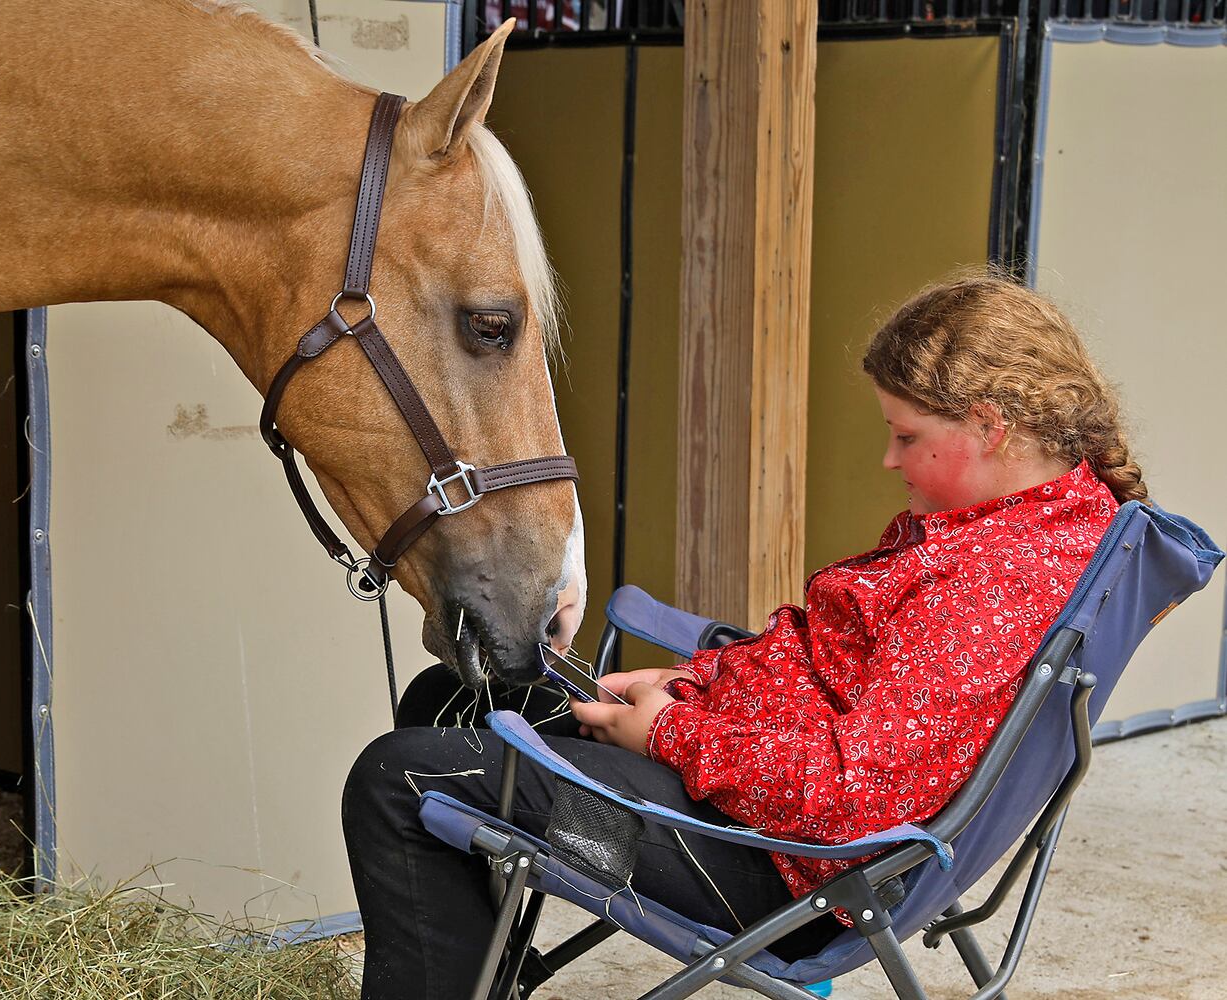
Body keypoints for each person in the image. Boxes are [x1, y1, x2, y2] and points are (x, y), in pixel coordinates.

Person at [341, 275, 1144, 999]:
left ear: (989, 425)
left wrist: (669, 734)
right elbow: (834, 678)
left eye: (905, 435)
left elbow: (850, 801)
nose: (888, 458)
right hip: (757, 797)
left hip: (772, 865)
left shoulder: (986, 590)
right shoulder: (1037, 521)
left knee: (398, 779)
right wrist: (696, 683)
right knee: (454, 695)